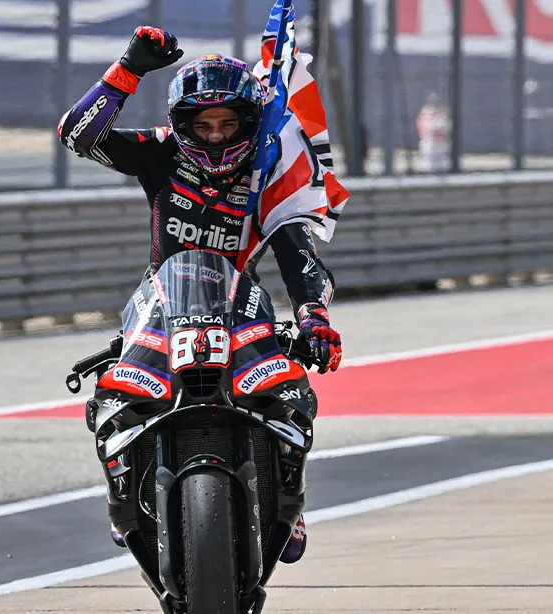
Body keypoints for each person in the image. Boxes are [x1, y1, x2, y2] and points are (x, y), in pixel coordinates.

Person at [57, 26, 343, 565]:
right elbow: (78, 134)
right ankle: (123, 490)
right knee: (113, 395)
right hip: (161, 300)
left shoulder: (269, 170)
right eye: (204, 124)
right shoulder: (161, 153)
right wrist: (130, 68)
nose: (215, 136)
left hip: (240, 304)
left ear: (248, 123)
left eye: (227, 123)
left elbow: (295, 251)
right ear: (183, 124)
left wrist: (314, 318)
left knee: (292, 387)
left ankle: (291, 496)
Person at [415, 93, 449, 172]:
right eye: (433, 103)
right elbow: (427, 128)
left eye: (436, 103)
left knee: (443, 165)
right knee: (428, 166)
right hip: (429, 143)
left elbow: (445, 127)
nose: (434, 106)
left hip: (441, 144)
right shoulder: (425, 113)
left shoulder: (442, 113)